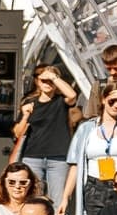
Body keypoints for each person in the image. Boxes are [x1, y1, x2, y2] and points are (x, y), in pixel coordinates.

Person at [11, 64, 80, 204]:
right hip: (32, 156)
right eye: (44, 80)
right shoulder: (29, 102)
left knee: (58, 200)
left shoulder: (61, 101)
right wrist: (25, 116)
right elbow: (17, 133)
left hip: (58, 157)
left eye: (51, 81)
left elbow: (72, 95)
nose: (48, 84)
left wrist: (53, 77)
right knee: (32, 199)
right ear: (37, 82)